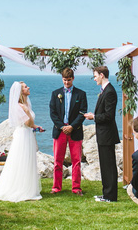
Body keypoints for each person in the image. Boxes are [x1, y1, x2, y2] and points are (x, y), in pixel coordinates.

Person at [0, 81, 43, 202]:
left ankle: (28, 187)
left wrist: (36, 127)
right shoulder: (19, 106)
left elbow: (30, 123)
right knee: (21, 159)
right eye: (26, 87)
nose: (29, 87)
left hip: (28, 134)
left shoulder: (26, 103)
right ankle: (20, 188)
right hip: (22, 135)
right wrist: (28, 114)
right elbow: (27, 122)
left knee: (28, 160)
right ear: (21, 91)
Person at [49, 67, 88, 195]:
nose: (66, 83)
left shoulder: (81, 94)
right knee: (57, 161)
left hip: (75, 131)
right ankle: (56, 187)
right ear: (62, 79)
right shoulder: (55, 94)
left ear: (73, 79)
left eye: (69, 80)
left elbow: (82, 113)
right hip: (59, 131)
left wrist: (72, 126)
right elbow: (53, 113)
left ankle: (76, 188)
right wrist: (62, 127)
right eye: (65, 80)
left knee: (76, 161)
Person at [84, 65, 120, 202]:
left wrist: (94, 117)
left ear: (102, 75)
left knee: (109, 165)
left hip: (107, 134)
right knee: (105, 165)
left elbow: (109, 116)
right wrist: (94, 115)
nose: (94, 79)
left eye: (95, 76)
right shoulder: (105, 90)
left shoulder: (109, 91)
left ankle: (110, 196)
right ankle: (106, 194)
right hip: (103, 134)